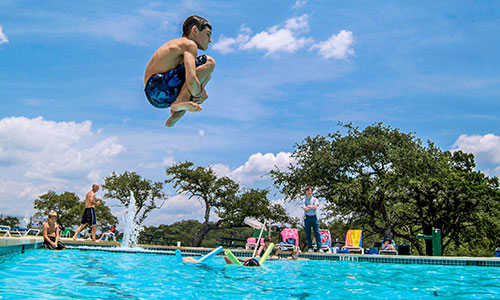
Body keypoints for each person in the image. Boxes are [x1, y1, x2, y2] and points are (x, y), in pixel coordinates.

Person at [144, 15, 216, 127]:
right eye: (208, 34)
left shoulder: (178, 46)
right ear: (195, 30)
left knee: (207, 74)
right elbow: (191, 78)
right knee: (209, 62)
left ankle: (176, 113)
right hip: (158, 85)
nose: (210, 40)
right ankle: (179, 103)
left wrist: (200, 90)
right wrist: (200, 93)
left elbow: (192, 78)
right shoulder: (189, 44)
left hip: (156, 95)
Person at [303, 186, 322, 252]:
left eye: (310, 192)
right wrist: (311, 207)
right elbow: (304, 209)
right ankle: (310, 247)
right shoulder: (304, 200)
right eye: (308, 192)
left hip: (314, 217)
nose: (309, 193)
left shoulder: (315, 199)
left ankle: (319, 248)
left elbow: (315, 206)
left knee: (317, 232)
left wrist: (309, 206)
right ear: (306, 193)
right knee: (308, 233)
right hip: (307, 217)